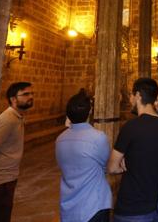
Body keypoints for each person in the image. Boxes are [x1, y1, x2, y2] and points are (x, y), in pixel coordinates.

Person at [108, 78, 158, 222]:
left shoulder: (130, 127)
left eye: (131, 95)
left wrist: (124, 165)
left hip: (134, 207)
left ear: (138, 95)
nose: (130, 99)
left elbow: (112, 167)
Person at [56, 90, 112, 222]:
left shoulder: (60, 139)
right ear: (90, 112)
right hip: (94, 205)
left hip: (69, 205)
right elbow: (106, 166)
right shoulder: (98, 137)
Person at [0, 82, 34, 222]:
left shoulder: (17, 117)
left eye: (31, 94)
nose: (30, 97)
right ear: (13, 99)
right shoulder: (7, 119)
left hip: (7, 178)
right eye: (25, 94)